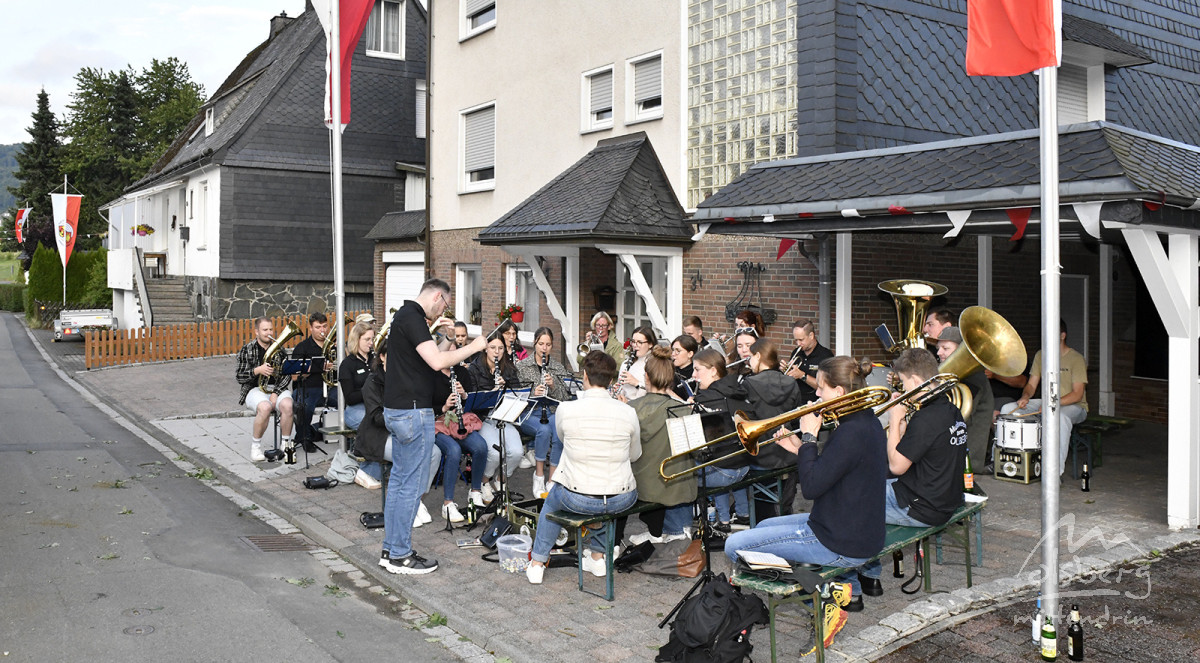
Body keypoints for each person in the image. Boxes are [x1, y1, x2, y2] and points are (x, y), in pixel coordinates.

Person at [724, 356, 887, 654]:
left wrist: (809, 436)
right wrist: (800, 448)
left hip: (838, 539)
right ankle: (827, 587)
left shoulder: (850, 432)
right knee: (762, 528)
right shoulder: (865, 422)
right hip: (844, 527)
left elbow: (811, 488)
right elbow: (830, 473)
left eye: (822, 388)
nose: (816, 395)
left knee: (734, 546)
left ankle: (824, 592)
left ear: (839, 392)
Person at [380, 278, 487, 576]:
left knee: (400, 484)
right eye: (445, 305)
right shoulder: (412, 317)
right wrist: (475, 346)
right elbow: (439, 360)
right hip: (413, 413)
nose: (444, 310)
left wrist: (447, 338)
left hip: (400, 411)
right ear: (438, 296)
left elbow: (429, 360)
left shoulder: (406, 317)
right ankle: (400, 555)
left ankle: (391, 550)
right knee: (410, 487)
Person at [857, 348, 968, 602]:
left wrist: (894, 419)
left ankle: (855, 581)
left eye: (905, 383)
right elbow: (922, 454)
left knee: (848, 500)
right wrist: (905, 427)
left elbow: (896, 465)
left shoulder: (927, 418)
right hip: (944, 499)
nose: (904, 389)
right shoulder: (950, 410)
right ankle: (869, 574)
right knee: (867, 482)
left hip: (921, 507)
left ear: (917, 382)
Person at [526, 351, 641, 585]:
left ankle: (537, 563)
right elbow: (634, 455)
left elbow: (561, 438)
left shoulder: (566, 409)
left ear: (585, 376)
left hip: (579, 498)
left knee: (551, 500)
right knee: (604, 496)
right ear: (611, 381)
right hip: (622, 498)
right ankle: (598, 558)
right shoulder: (629, 412)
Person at [357, 343, 444, 528]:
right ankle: (406, 506)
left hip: (408, 430)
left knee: (434, 452)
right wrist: (404, 420)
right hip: (379, 435)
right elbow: (376, 417)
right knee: (409, 456)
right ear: (382, 357)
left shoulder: (407, 379)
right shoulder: (372, 382)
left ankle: (416, 499)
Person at [624, 346, 697, 545]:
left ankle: (662, 532)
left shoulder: (630, 409)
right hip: (676, 487)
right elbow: (695, 450)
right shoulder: (684, 410)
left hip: (642, 486)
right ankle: (674, 530)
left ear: (646, 377)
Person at [1000, 320, 1088, 477]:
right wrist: (1025, 396)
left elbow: (1077, 394)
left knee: (1058, 417)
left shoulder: (1076, 359)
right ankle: (1010, 465)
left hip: (1074, 406)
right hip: (1047, 402)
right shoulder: (1041, 355)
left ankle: (1054, 475)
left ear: (1062, 336)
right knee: (1008, 409)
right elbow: (1031, 385)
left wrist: (1051, 404)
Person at [690, 348, 752, 531]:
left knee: (685, 475)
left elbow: (700, 444)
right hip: (745, 465)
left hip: (726, 471)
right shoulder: (737, 388)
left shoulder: (706, 398)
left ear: (713, 371)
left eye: (697, 369)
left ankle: (683, 529)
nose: (693, 375)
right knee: (720, 455)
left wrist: (690, 407)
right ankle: (739, 516)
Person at [742, 338, 803, 516]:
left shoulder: (748, 384)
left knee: (763, 510)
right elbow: (796, 416)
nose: (749, 361)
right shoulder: (791, 382)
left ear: (759, 356)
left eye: (751, 357)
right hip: (789, 453)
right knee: (785, 508)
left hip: (761, 456)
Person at [515, 327, 572, 497]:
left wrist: (553, 386)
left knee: (557, 427)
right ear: (534, 343)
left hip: (552, 411)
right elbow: (515, 394)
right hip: (530, 413)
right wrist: (534, 394)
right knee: (543, 429)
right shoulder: (522, 366)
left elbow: (565, 397)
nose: (544, 348)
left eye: (548, 344)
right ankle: (539, 475)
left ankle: (552, 478)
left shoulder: (557, 367)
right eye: (541, 344)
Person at [468, 335, 524, 501]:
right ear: (486, 348)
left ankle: (500, 480)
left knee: (516, 452)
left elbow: (519, 395)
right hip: (483, 418)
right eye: (493, 348)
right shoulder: (475, 369)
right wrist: (493, 390)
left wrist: (505, 390)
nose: (497, 352)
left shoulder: (509, 369)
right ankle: (484, 481)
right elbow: (473, 400)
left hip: (504, 417)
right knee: (493, 452)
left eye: (500, 348)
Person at [431, 360, 487, 522]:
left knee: (480, 446)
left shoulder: (461, 373)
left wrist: (464, 396)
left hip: (458, 422)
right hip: (438, 423)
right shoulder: (431, 374)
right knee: (453, 450)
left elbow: (472, 405)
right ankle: (448, 503)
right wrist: (444, 406)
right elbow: (425, 404)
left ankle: (475, 491)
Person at [934, 326, 994, 473]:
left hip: (967, 458)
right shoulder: (952, 373)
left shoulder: (974, 377)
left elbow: (959, 415)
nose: (939, 352)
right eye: (938, 348)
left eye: (945, 348)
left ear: (961, 350)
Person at [235, 317, 295, 462]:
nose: (268, 333)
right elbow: (240, 377)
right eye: (265, 330)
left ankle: (286, 446)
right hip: (255, 389)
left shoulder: (279, 349)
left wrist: (276, 393)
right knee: (265, 407)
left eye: (270, 329)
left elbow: (286, 375)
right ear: (257, 332)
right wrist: (257, 370)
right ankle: (255, 447)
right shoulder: (247, 349)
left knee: (288, 405)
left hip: (276, 388)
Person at [291, 312, 334, 451]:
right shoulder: (302, 348)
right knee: (305, 407)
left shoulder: (333, 346)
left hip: (330, 388)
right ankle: (305, 437)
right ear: (311, 328)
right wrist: (314, 367)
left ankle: (349, 437)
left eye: (324, 326)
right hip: (308, 388)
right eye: (318, 327)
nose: (322, 330)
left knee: (349, 401)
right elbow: (294, 376)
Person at [784, 318, 834, 404]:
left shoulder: (826, 355)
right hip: (795, 401)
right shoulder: (796, 352)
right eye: (796, 340)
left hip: (815, 403)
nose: (798, 344)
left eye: (801, 340)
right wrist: (785, 370)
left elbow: (827, 387)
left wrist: (802, 375)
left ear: (811, 336)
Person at [339, 321, 375, 431]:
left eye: (372, 339)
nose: (371, 343)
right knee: (376, 423)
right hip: (356, 409)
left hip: (376, 406)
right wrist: (371, 391)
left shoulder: (376, 360)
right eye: (367, 339)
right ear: (357, 339)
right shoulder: (347, 364)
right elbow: (349, 398)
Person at [615, 326, 656, 401]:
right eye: (633, 341)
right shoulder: (626, 363)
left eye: (640, 342)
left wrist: (636, 383)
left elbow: (656, 394)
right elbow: (623, 390)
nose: (634, 345)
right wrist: (619, 394)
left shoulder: (656, 364)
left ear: (650, 344)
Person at [670, 334, 698, 399]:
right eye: (673, 350)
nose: (673, 354)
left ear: (690, 354)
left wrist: (669, 392)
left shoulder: (694, 373)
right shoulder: (671, 369)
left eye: (678, 351)